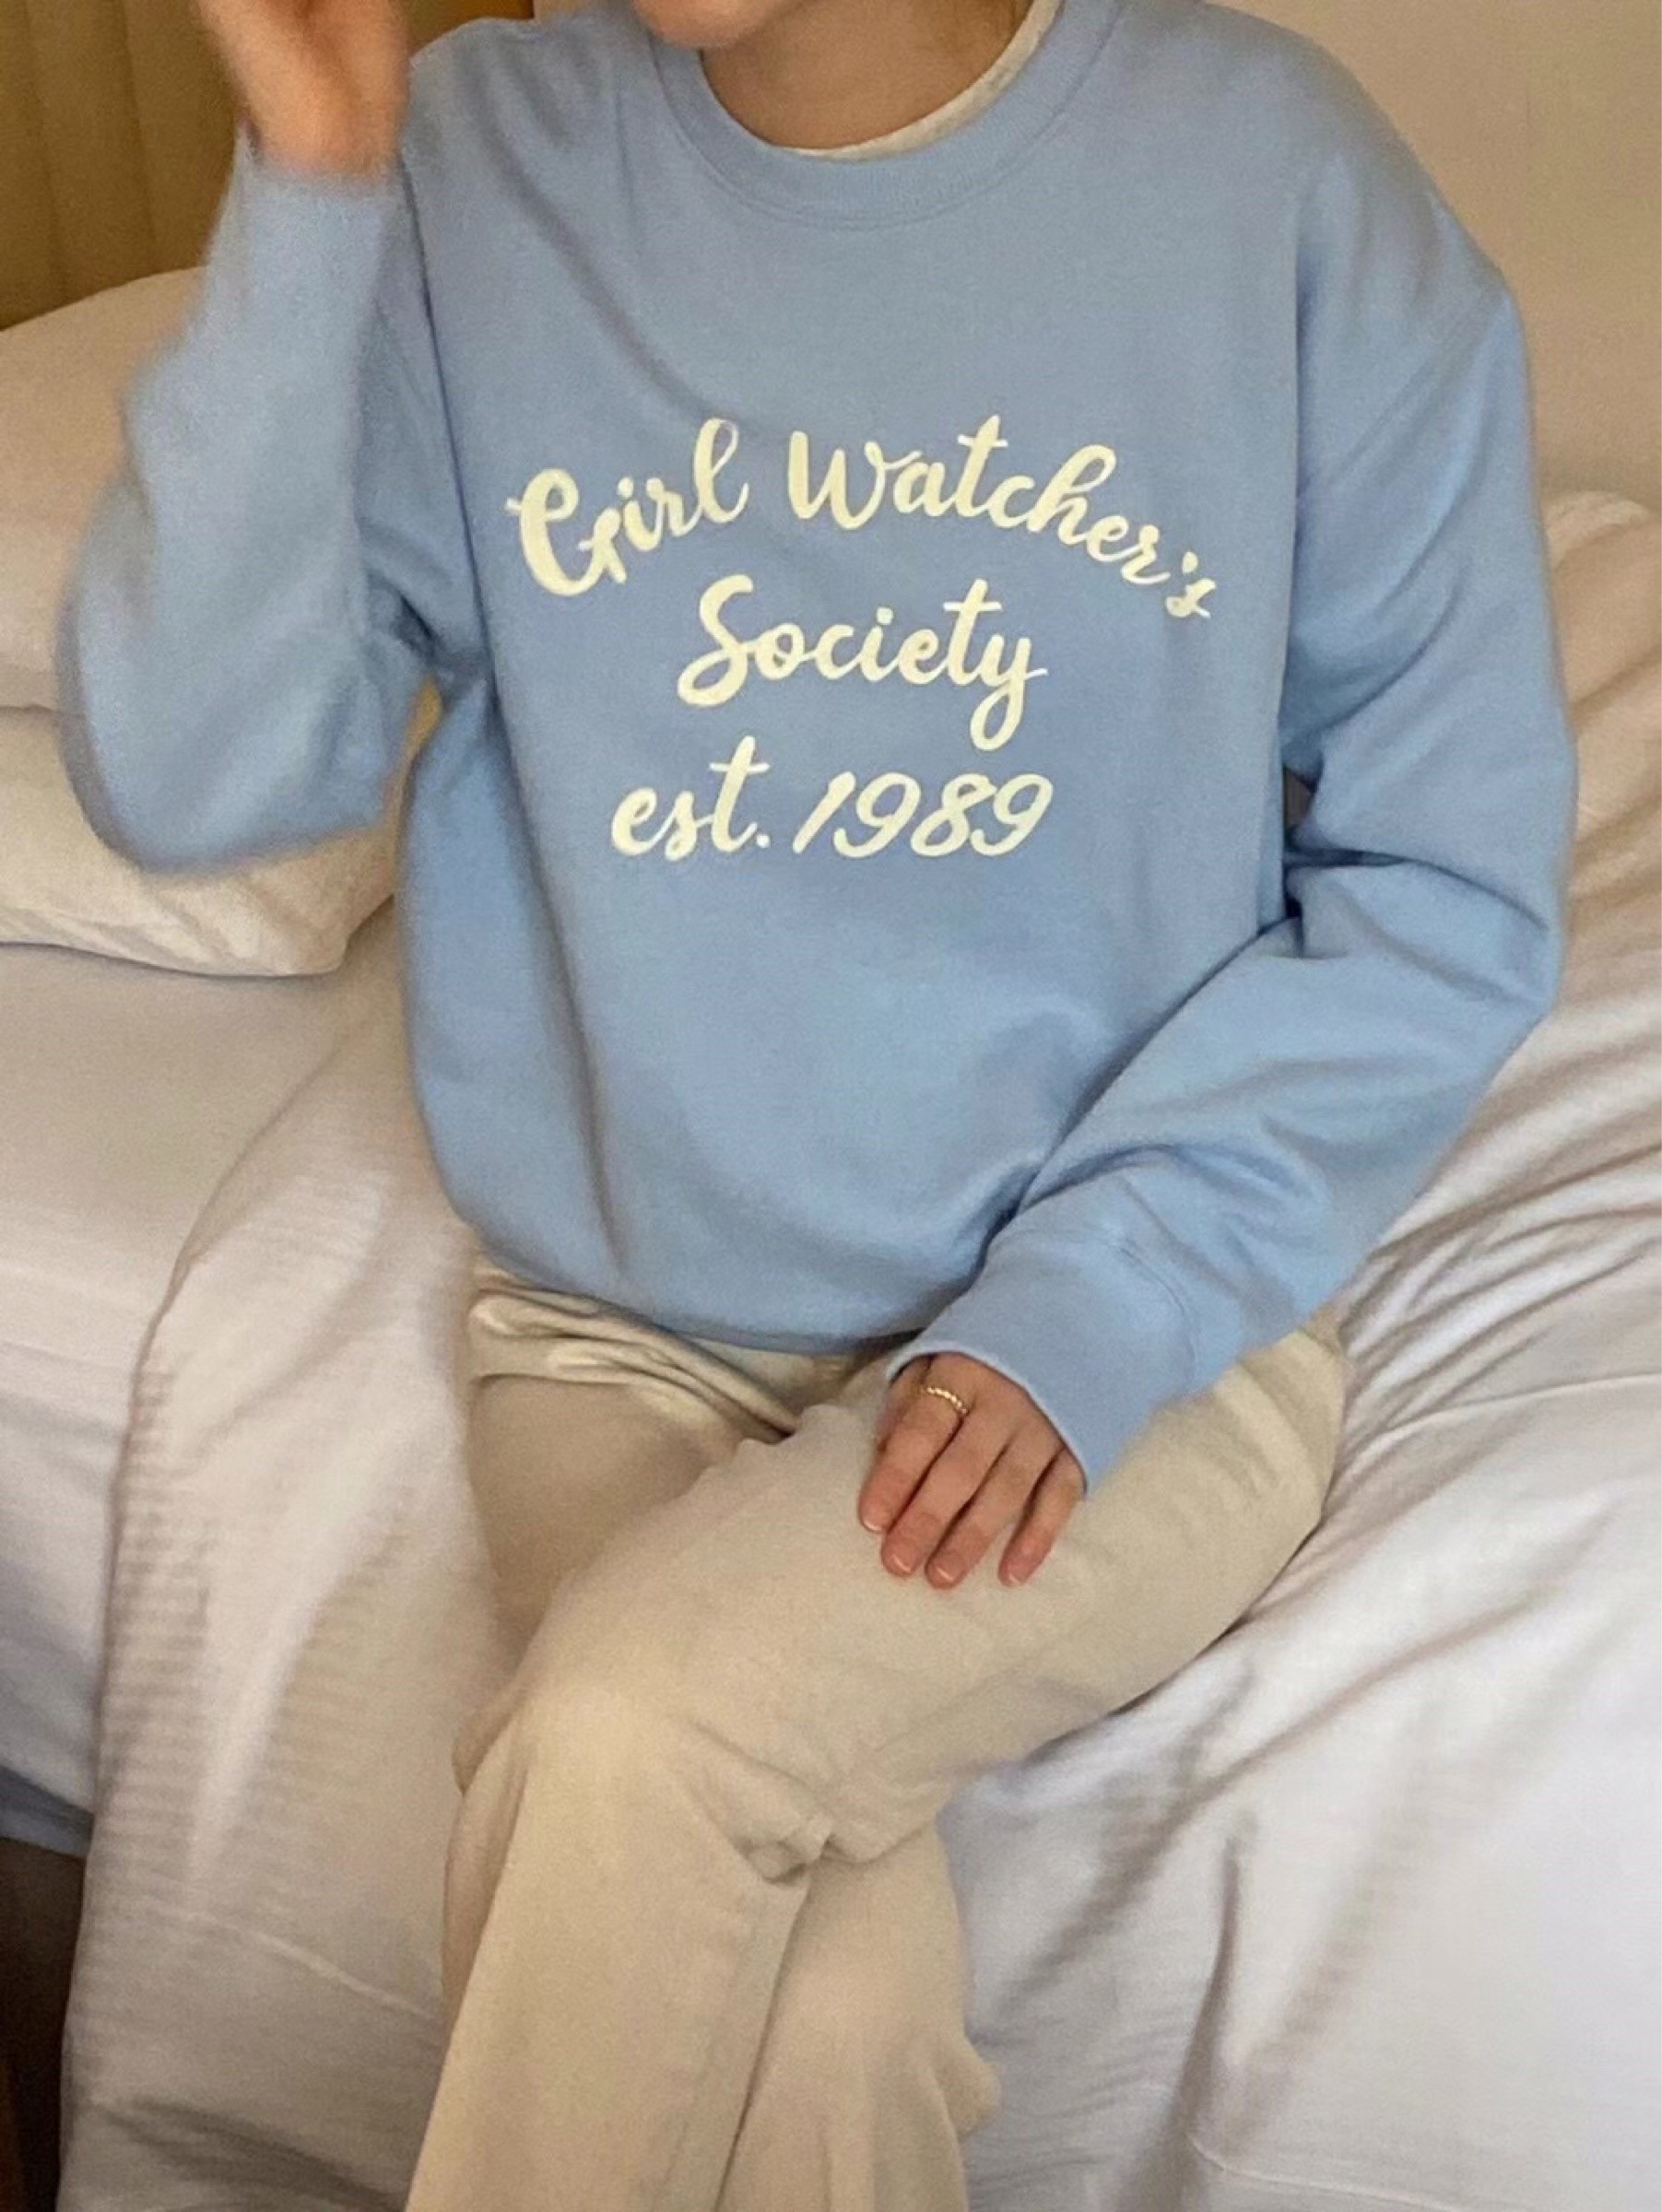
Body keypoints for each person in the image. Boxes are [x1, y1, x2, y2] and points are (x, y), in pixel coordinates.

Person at [53, 0, 1576, 2202]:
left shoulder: (1276, 187)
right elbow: (197, 776)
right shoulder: (470, 163)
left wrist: (1092, 1307)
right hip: (622, 1340)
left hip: (1136, 1348)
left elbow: (1438, 890)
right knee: (828, 2025)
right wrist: (312, 191)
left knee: (630, 1732)